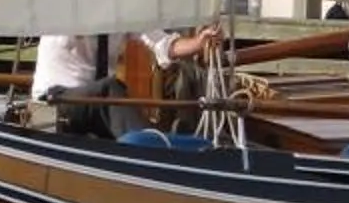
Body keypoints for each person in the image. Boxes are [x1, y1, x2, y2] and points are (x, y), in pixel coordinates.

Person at [30, 25, 224, 138]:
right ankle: (152, 155)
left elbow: (162, 45)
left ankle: (159, 145)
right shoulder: (66, 1)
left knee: (109, 92)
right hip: (55, 101)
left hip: (98, 107)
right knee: (110, 88)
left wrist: (199, 42)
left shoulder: (124, 10)